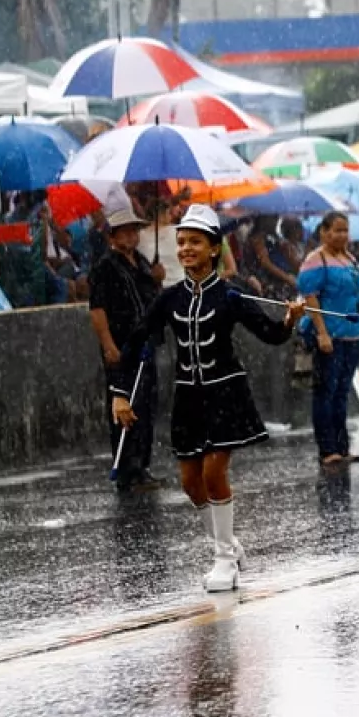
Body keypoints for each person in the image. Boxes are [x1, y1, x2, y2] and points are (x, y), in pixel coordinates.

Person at [112, 205, 305, 592]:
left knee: (213, 474)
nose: (185, 249)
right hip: (188, 399)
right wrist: (120, 393)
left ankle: (224, 560)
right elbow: (135, 343)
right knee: (190, 483)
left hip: (226, 393)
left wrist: (290, 319)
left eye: (195, 242)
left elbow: (270, 335)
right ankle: (229, 544)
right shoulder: (168, 299)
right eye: (181, 242)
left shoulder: (232, 295)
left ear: (214, 248)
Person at [88, 208, 166, 491]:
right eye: (126, 231)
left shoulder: (142, 262)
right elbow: (97, 310)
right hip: (121, 345)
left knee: (146, 404)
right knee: (124, 405)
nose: (132, 236)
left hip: (145, 344)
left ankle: (141, 466)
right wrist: (108, 345)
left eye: (135, 230)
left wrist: (157, 277)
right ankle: (126, 469)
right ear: (113, 235)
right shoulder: (104, 267)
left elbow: (153, 297)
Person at [298, 211, 359, 468]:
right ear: (324, 232)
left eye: (345, 230)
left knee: (341, 393)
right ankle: (327, 449)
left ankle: (342, 447)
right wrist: (322, 333)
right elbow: (310, 297)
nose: (342, 235)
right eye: (337, 230)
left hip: (352, 335)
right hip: (330, 335)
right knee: (325, 392)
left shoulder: (349, 259)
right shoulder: (316, 260)